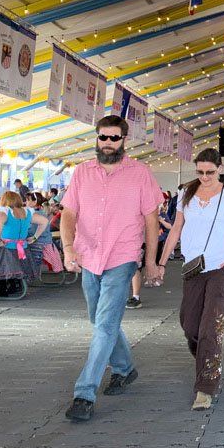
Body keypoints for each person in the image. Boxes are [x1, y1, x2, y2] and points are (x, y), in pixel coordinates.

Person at [60, 115, 162, 423]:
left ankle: (84, 393)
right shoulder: (81, 173)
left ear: (124, 140)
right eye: (103, 137)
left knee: (104, 323)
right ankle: (124, 368)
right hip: (89, 256)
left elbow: (151, 222)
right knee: (100, 319)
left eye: (113, 138)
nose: (107, 143)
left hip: (122, 257)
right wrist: (68, 248)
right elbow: (68, 214)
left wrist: (151, 263)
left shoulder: (140, 174)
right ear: (97, 138)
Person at [152, 149, 224, 410]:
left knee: (210, 330)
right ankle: (208, 358)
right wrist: (161, 262)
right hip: (192, 269)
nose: (205, 177)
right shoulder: (186, 193)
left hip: (220, 268)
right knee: (190, 326)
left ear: (219, 169)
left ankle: (205, 387)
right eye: (200, 172)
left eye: (210, 172)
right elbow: (176, 229)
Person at [0, 191, 48, 301]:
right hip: (21, 248)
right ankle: (2, 290)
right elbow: (44, 221)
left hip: (6, 247)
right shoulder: (27, 212)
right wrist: (34, 237)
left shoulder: (4, 212)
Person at [127, 204, 173, 309]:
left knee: (146, 266)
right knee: (135, 268)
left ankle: (152, 280)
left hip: (152, 242)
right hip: (137, 242)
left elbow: (170, 227)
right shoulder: (134, 212)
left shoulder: (159, 213)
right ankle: (135, 296)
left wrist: (160, 220)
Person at [20, 192, 54, 284]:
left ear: (34, 202)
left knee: (28, 259)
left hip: (38, 242)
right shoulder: (42, 211)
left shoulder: (34, 214)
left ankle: (27, 279)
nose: (25, 202)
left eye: (27, 200)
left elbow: (31, 231)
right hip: (45, 241)